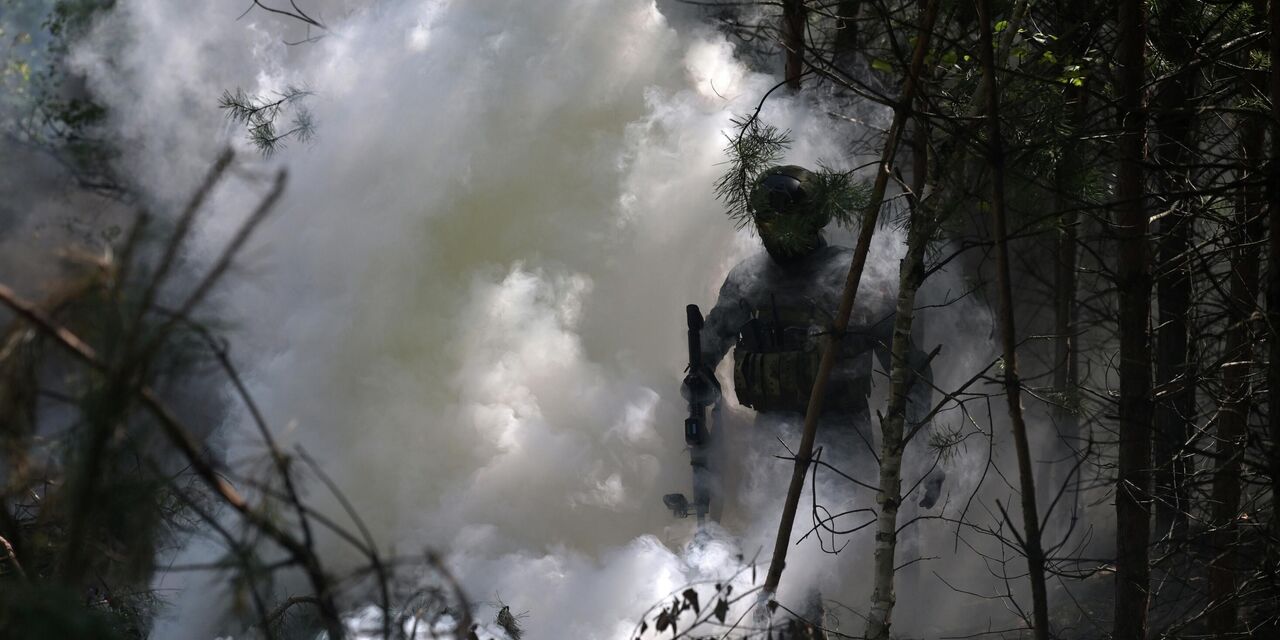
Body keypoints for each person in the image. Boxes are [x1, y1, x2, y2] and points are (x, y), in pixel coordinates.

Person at [688, 164, 943, 508]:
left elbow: (909, 371)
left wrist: (920, 452)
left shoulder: (853, 279)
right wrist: (699, 378)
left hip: (844, 438)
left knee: (837, 545)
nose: (775, 232)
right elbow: (710, 344)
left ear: (811, 220)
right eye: (766, 221)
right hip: (772, 442)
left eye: (785, 221)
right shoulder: (750, 280)